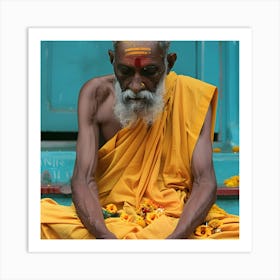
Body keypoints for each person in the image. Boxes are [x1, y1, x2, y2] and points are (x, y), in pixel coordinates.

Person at [41, 41, 239, 239]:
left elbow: (204, 182)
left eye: (149, 71)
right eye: (125, 71)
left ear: (169, 63)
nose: (136, 86)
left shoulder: (192, 96)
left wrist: (176, 239)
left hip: (173, 216)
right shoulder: (97, 95)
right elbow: (83, 179)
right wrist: (104, 237)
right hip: (109, 213)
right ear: (112, 60)